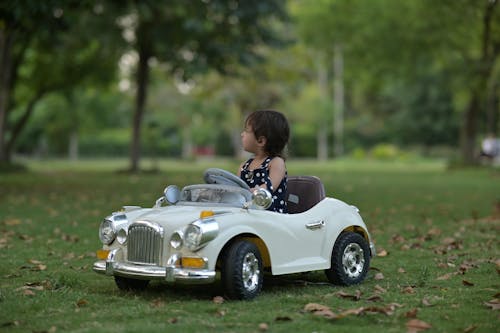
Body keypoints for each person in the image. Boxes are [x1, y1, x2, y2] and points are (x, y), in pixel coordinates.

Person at [239, 110, 290, 213]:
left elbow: (269, 187)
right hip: (248, 213)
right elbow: (238, 188)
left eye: (246, 131)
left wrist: (250, 192)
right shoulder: (244, 166)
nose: (242, 134)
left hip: (271, 216)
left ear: (260, 141)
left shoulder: (276, 163)